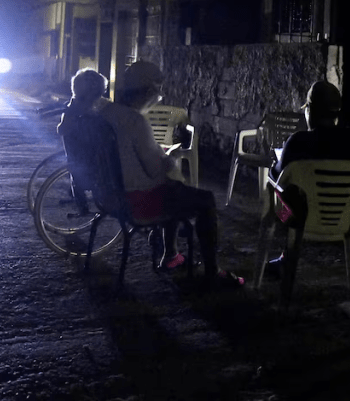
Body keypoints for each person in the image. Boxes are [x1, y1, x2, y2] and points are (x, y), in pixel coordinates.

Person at [97, 60, 244, 289]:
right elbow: (158, 169)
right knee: (203, 199)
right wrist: (173, 155)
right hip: (138, 201)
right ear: (148, 91)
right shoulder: (136, 121)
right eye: (158, 91)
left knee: (176, 189)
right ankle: (211, 272)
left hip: (109, 197)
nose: (159, 97)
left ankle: (172, 254)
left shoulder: (106, 112)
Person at [265, 81, 350, 276]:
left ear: (310, 110)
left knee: (277, 196)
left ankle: (287, 255)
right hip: (347, 219)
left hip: (300, 219)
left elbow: (278, 179)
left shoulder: (298, 141)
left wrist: (273, 169)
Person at [57, 68, 110, 215]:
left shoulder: (72, 107)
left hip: (77, 164)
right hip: (92, 167)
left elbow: (61, 130)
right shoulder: (88, 114)